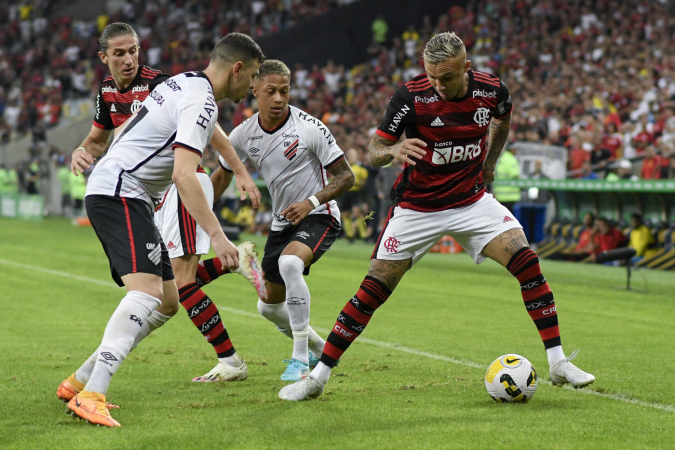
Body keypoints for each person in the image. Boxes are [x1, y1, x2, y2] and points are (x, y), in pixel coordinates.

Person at [280, 32, 595, 401]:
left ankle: (557, 361)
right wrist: (395, 148)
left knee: (528, 263)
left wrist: (489, 164)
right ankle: (317, 378)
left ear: (467, 67)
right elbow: (374, 151)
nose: (438, 85)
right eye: (431, 76)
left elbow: (503, 119)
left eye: (446, 77)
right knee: (372, 291)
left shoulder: (492, 91)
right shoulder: (410, 97)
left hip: (472, 202)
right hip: (417, 208)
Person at [58, 32, 264, 427]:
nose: (251, 87)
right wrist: (219, 237)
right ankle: (93, 393)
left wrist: (237, 168)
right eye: (252, 76)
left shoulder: (183, 81)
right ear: (236, 69)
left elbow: (184, 133)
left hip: (121, 189)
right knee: (147, 292)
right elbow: (184, 176)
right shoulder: (200, 99)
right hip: (121, 192)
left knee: (169, 299)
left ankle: (78, 380)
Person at [211, 60, 355, 381]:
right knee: (268, 306)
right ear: (255, 91)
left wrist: (312, 201)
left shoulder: (309, 128)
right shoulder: (243, 134)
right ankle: (318, 346)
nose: (278, 98)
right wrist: (197, 210)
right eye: (271, 91)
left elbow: (347, 176)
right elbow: (222, 175)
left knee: (291, 265)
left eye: (285, 91)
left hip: (319, 214)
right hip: (282, 222)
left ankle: (300, 360)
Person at [493, 144, 520, 213]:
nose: (516, 151)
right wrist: (522, 186)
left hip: (499, 194)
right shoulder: (511, 159)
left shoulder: (501, 158)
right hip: (510, 195)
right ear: (512, 149)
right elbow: (515, 175)